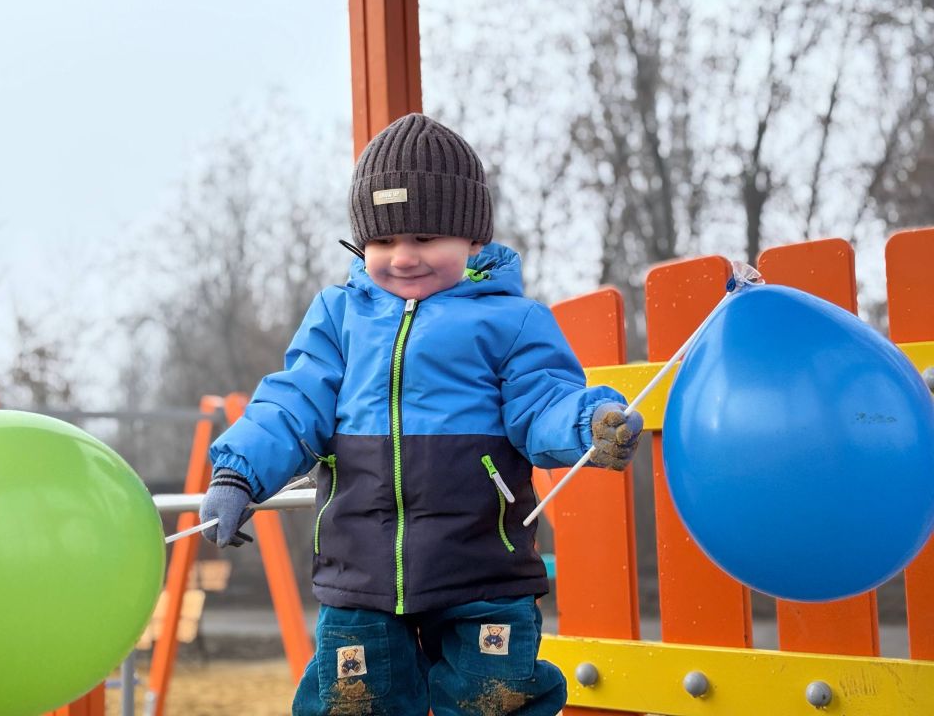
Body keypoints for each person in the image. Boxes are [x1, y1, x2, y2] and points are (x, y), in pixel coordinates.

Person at [200, 113, 644, 715]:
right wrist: (237, 472)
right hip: (362, 572)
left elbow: (543, 401)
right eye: (383, 241)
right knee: (355, 702)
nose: (403, 257)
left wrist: (586, 423)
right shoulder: (339, 317)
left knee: (494, 700)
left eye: (426, 237)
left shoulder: (510, 322)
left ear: (473, 240)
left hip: (483, 569)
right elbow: (292, 401)